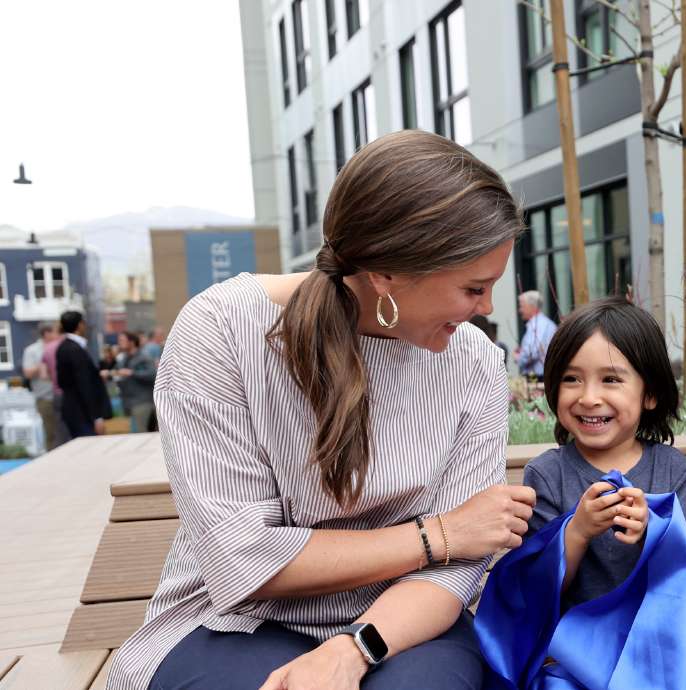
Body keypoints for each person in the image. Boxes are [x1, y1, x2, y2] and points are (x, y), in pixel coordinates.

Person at [107, 130, 537, 690]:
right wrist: (437, 534)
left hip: (403, 616)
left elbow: (458, 568)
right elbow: (241, 559)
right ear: (385, 273)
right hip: (234, 618)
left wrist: (357, 647)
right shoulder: (221, 332)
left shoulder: (473, 361)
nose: (486, 309)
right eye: (474, 288)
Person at [521, 297, 686, 609]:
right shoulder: (546, 475)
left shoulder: (673, 470)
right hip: (569, 646)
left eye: (610, 379)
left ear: (650, 394)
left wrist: (651, 531)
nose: (589, 397)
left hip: (654, 638)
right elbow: (538, 591)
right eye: (572, 379)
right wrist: (578, 531)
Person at [55, 310, 110, 439]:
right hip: (82, 413)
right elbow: (84, 384)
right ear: (80, 325)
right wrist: (96, 417)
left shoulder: (63, 347)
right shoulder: (75, 349)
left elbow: (62, 380)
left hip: (72, 408)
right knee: (90, 449)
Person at [22, 323, 62, 451]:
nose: (58, 335)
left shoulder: (60, 347)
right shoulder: (32, 350)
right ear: (47, 334)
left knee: (63, 432)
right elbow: (27, 373)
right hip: (45, 397)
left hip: (61, 395)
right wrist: (44, 363)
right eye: (55, 332)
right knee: (51, 432)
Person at [114, 331, 157, 433]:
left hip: (142, 402)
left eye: (122, 340)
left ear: (132, 342)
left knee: (140, 435)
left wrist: (132, 373)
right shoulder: (123, 358)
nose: (119, 343)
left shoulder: (143, 357)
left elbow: (152, 374)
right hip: (129, 403)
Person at [514, 290, 556, 377]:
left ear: (532, 306)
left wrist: (519, 357)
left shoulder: (538, 325)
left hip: (538, 377)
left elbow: (531, 352)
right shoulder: (544, 323)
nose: (520, 310)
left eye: (522, 306)